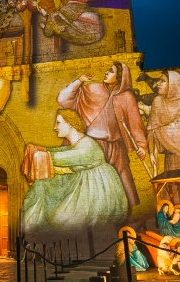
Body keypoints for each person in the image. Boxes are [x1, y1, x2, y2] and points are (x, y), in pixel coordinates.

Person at [21, 109, 128, 233]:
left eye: (58, 123)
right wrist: (40, 149)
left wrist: (39, 153)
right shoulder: (77, 144)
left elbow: (62, 157)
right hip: (79, 186)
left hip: (94, 193)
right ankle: (31, 229)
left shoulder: (88, 146)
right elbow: (62, 151)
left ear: (70, 124)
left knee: (62, 221)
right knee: (42, 187)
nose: (55, 127)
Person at [57, 63, 147, 208]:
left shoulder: (126, 97)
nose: (106, 73)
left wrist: (142, 145)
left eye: (111, 71)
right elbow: (63, 99)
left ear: (119, 77)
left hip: (114, 148)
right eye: (107, 70)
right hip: (89, 146)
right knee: (87, 185)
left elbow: (135, 123)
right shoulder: (92, 89)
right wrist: (79, 81)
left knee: (119, 186)